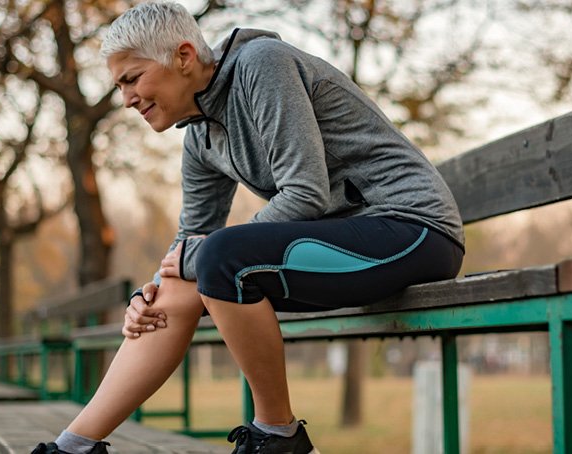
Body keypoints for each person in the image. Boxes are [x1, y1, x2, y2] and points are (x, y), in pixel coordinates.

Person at [31, 2, 465, 453]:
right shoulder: (199, 137)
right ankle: (74, 446)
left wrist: (200, 256)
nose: (126, 98)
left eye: (132, 78)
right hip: (341, 248)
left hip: (413, 231)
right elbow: (189, 241)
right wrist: (150, 291)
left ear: (183, 56)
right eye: (119, 85)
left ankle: (278, 435)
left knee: (222, 258)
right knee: (183, 283)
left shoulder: (263, 65)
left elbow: (305, 193)